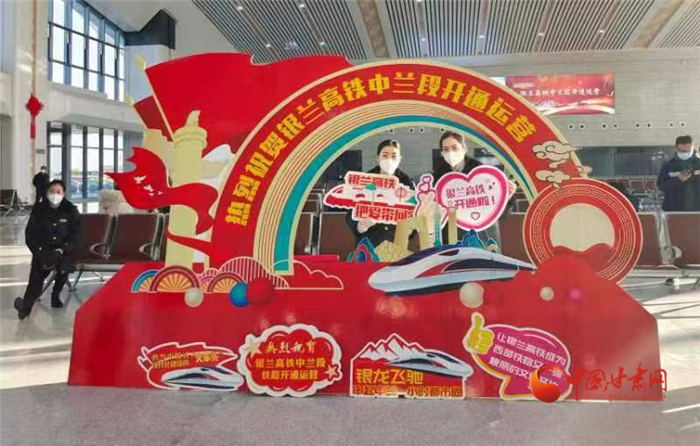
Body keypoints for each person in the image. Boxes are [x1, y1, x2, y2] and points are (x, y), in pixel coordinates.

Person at [14, 180, 83, 319]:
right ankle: (25, 308)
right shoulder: (39, 209)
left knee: (63, 271)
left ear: (64, 193)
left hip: (64, 251)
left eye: (58, 192)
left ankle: (55, 295)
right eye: (52, 191)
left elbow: (76, 234)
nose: (55, 194)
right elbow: (30, 234)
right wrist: (39, 251)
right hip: (43, 250)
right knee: (36, 279)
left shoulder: (71, 210)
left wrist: (63, 249)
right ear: (46, 193)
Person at [346, 140, 413, 248]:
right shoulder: (364, 181)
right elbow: (350, 213)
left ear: (400, 159)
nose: (389, 160)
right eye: (385, 155)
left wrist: (410, 230)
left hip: (395, 244)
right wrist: (360, 225)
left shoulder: (407, 183)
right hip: (369, 243)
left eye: (394, 156)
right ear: (378, 157)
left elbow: (415, 214)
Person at [657, 135, 700, 211]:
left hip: (696, 210)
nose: (684, 153)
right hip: (674, 210)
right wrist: (678, 179)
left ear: (692, 148)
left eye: (687, 151)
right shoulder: (668, 165)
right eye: (681, 151)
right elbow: (661, 186)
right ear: (676, 148)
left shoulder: (698, 164)